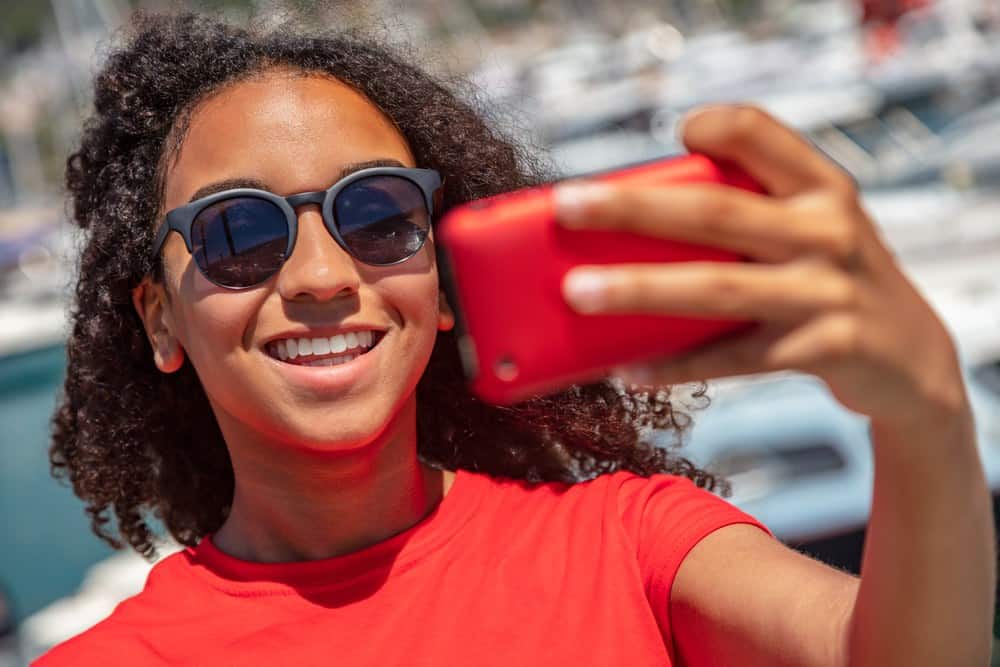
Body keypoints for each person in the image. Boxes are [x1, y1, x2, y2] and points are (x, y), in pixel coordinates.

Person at [36, 9, 994, 666]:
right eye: (240, 231)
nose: (324, 276)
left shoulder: (629, 541)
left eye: (376, 215)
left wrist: (928, 414)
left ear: (442, 282)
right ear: (161, 319)